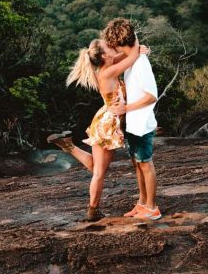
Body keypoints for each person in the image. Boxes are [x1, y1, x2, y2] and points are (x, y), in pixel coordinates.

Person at [47, 38, 148, 221]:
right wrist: (134, 42)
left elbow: (126, 54)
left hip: (107, 120)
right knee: (99, 172)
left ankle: (68, 146)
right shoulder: (108, 72)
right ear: (103, 55)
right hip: (106, 124)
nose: (112, 46)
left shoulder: (109, 64)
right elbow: (131, 56)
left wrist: (137, 49)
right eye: (108, 47)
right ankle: (93, 210)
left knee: (98, 167)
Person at [103, 18, 161, 221]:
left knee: (146, 164)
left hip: (142, 122)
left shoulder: (140, 63)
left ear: (118, 44)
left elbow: (152, 95)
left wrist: (125, 108)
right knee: (137, 164)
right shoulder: (132, 59)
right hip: (133, 122)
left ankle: (152, 208)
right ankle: (142, 203)